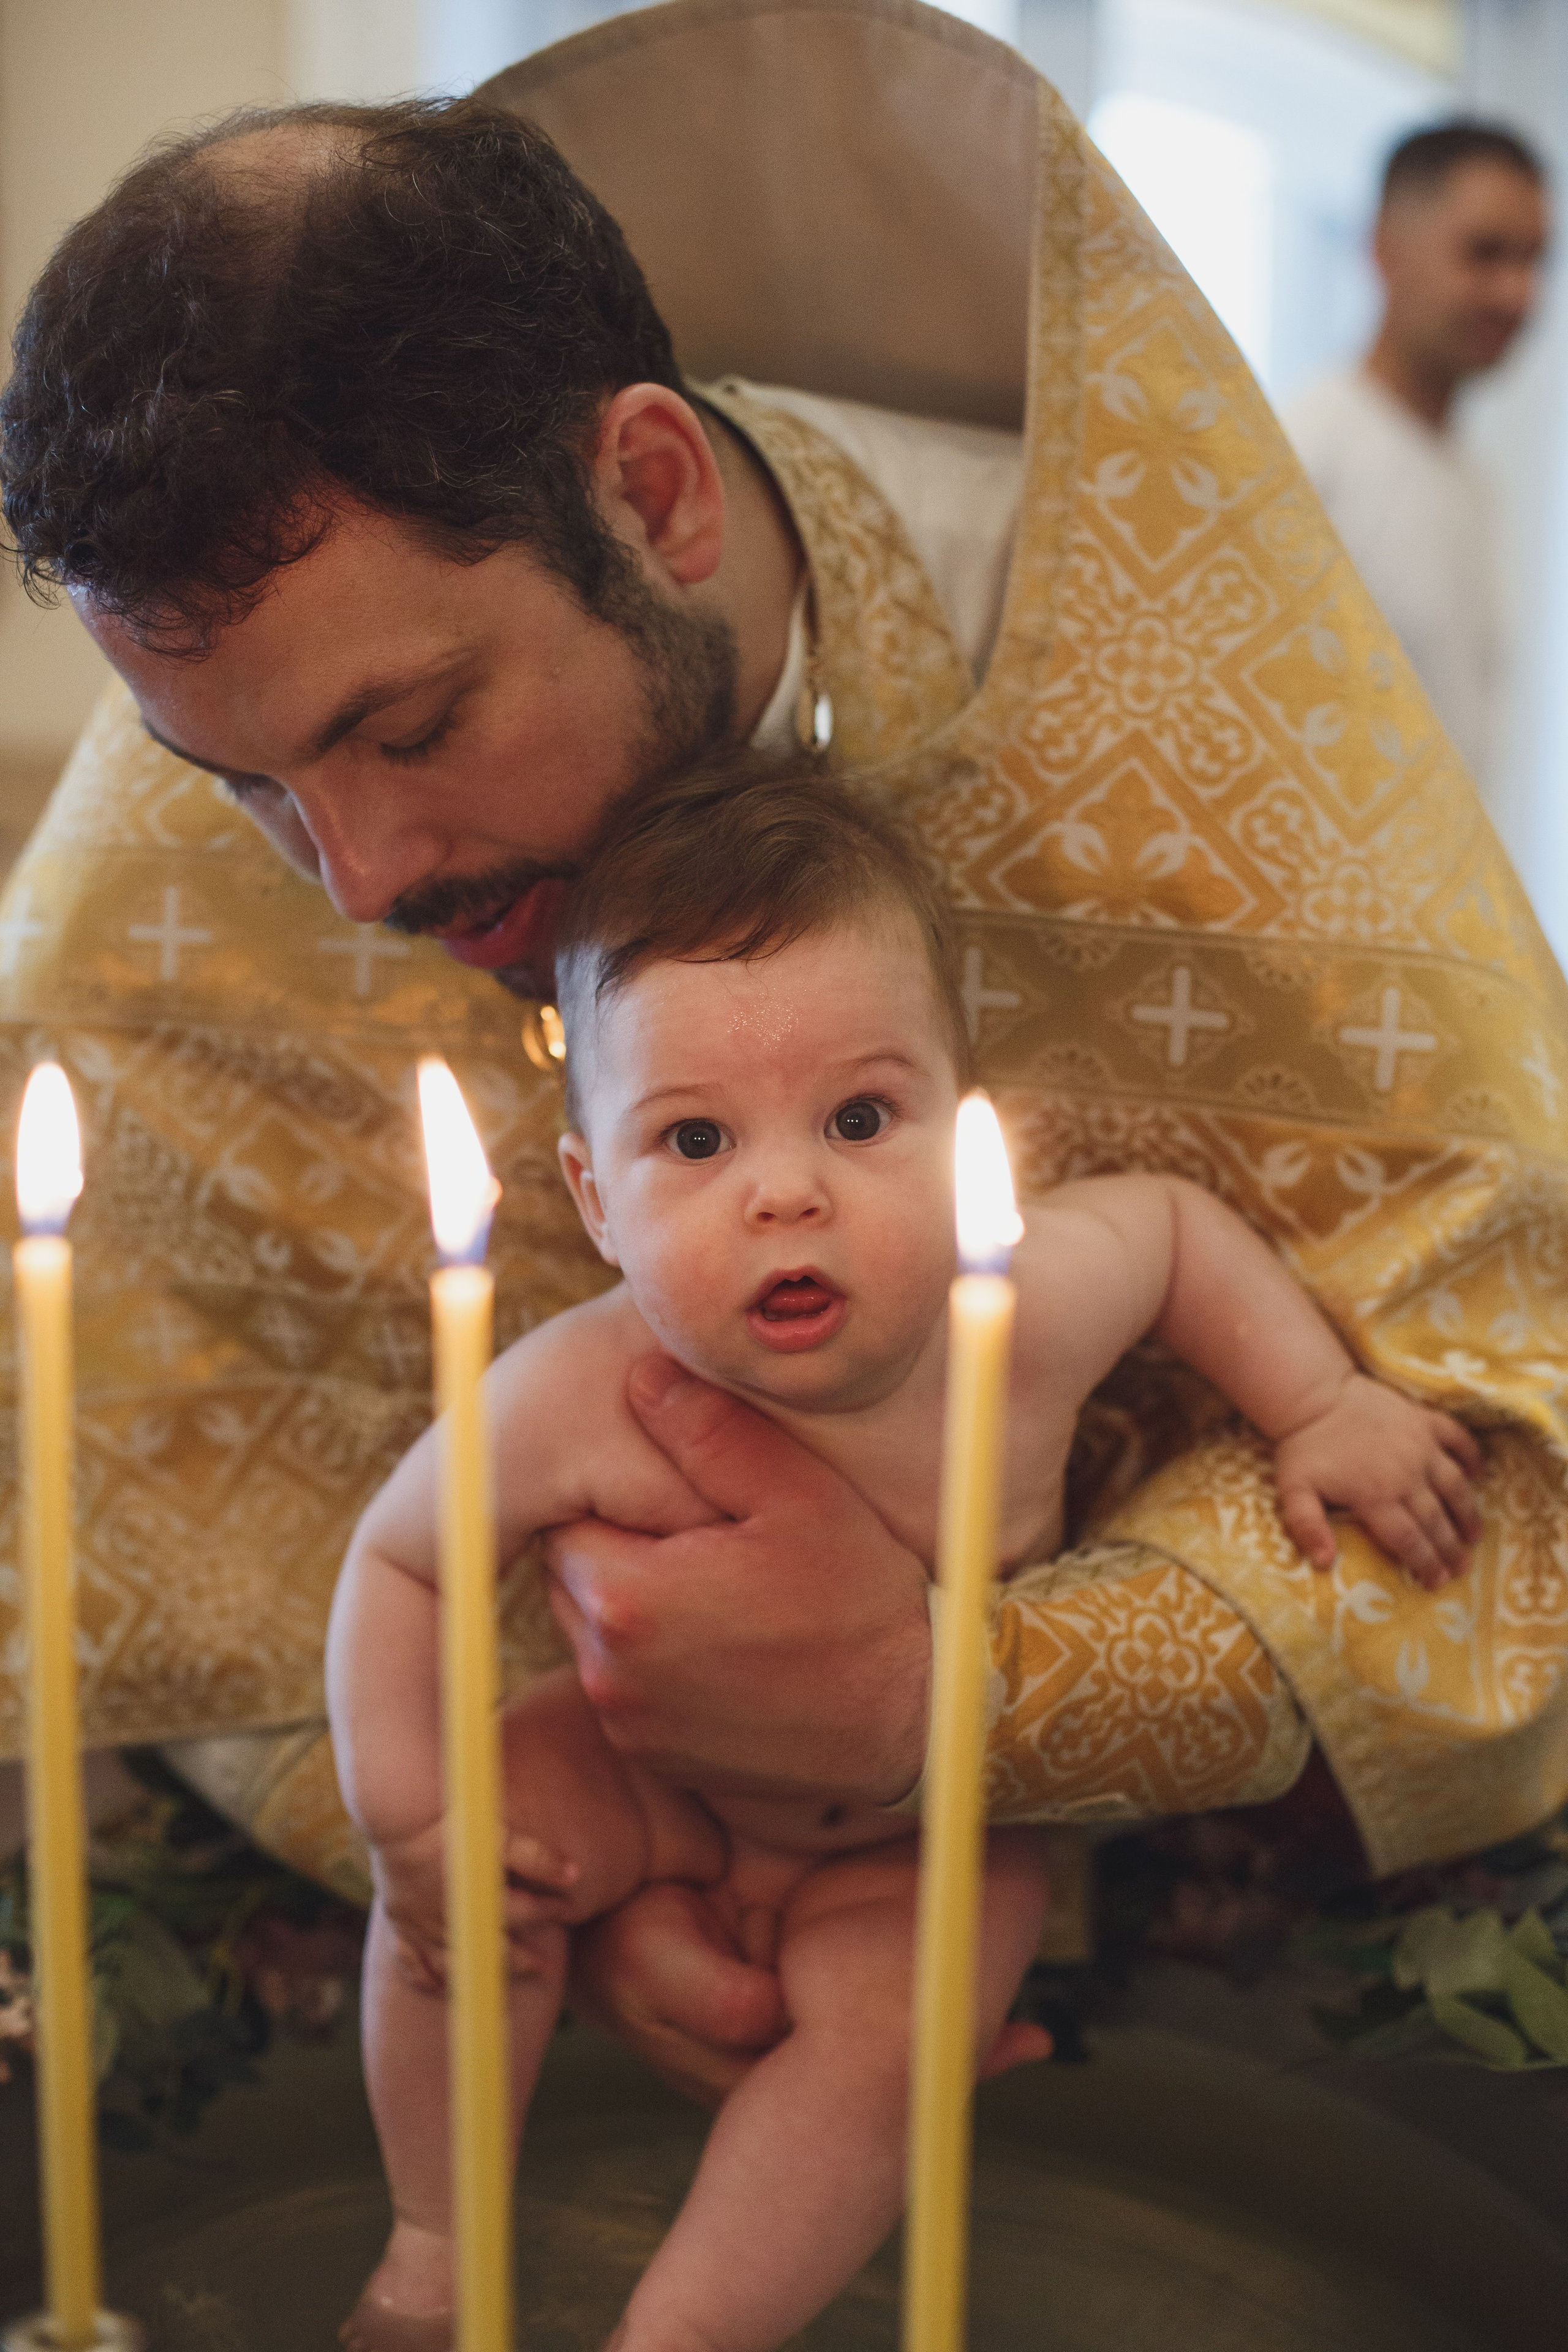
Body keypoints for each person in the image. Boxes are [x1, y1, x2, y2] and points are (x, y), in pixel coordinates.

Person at [0, 3, 1565, 2112]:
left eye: (415, 731)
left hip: (1193, 1994)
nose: (352, 877)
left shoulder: (1168, 700)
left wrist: (966, 1696)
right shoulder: (254, 677)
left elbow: (1510, 1437)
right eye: (249, 790)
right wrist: (521, 1873)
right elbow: (115, 1478)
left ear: (650, 493)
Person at [331, 760, 1480, 2348]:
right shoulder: (569, 1396)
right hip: (640, 1776)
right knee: (472, 1890)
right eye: (694, 1139)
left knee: (892, 2054)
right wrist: (411, 1823)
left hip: (920, 1834)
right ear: (593, 1197)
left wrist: (1320, 1402)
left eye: (861, 1119)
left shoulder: (1024, 1307)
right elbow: (400, 1566)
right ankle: (431, 2243)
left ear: (961, 1126)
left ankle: (682, 2334)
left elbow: (1170, 1233)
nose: (787, 1192)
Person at [1285, 118, 1550, 782]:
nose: (1518, 293)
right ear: (1385, 249)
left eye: (1535, 260)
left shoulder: (1474, 484)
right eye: (1485, 253)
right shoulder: (1303, 459)